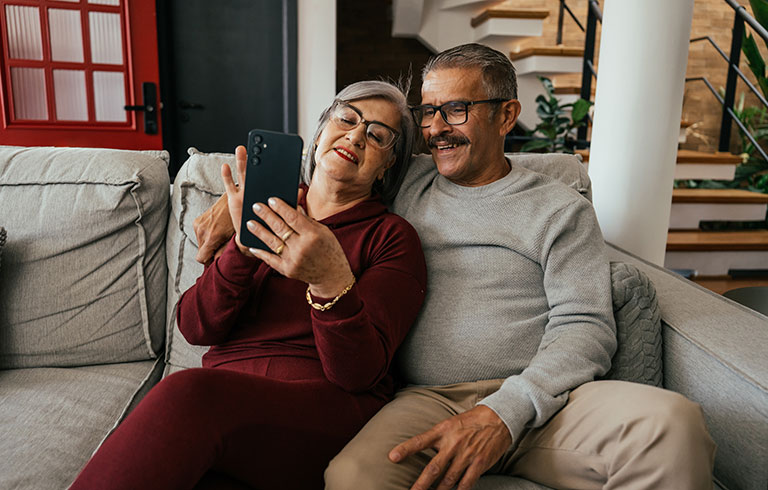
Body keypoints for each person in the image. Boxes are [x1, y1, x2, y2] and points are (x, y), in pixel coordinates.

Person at [194, 44, 716, 490]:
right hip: (426, 403)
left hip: (546, 406)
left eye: (457, 110)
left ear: (507, 115)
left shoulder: (560, 209)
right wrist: (233, 204)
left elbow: (586, 329)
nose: (436, 129)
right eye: (427, 112)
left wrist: (505, 412)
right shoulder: (407, 181)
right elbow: (340, 161)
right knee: (354, 477)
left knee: (674, 422)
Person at [69, 80, 427, 490]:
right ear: (321, 131)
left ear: (388, 166)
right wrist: (241, 246)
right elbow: (195, 327)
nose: (356, 135)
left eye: (378, 135)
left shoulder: (391, 237)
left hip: (322, 407)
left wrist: (330, 281)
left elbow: (357, 374)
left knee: (186, 394)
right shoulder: (263, 207)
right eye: (347, 118)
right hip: (229, 404)